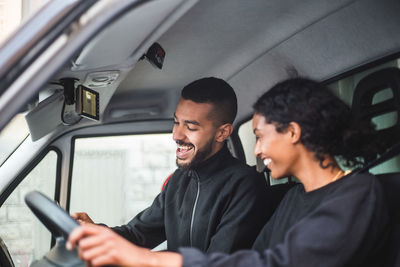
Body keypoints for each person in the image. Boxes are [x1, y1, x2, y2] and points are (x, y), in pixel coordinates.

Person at [67, 77, 390, 267]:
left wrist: (150, 260)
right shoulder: (295, 197)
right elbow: (260, 255)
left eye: (261, 136)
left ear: (292, 132)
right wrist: (102, 236)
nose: (257, 150)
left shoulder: (358, 193)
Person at [72, 77, 272, 254]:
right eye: (176, 122)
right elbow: (138, 234)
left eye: (191, 127)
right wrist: (96, 230)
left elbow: (218, 262)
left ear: (222, 133)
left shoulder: (245, 186)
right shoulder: (179, 181)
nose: (176, 135)